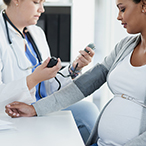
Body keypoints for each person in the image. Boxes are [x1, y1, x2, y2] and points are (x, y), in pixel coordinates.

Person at [5, 0, 146, 145]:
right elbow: (85, 84)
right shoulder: (125, 46)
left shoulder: (36, 34)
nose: (118, 16)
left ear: (144, 5)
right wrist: (35, 108)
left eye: (122, 9)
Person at [0, 0, 100, 144]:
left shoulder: (37, 33)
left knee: (87, 110)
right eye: (36, 2)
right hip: (14, 116)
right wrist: (33, 79)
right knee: (86, 113)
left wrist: (73, 69)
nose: (42, 9)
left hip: (42, 108)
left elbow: (48, 87)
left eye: (43, 3)